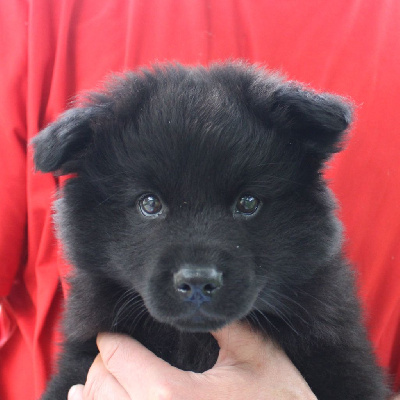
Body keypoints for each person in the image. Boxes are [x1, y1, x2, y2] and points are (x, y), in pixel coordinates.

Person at [0, 1, 399, 399]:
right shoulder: (33, 18)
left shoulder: (318, 329)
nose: (197, 272)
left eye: (247, 204)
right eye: (149, 204)